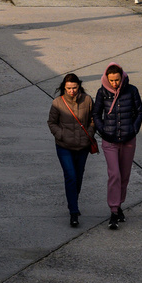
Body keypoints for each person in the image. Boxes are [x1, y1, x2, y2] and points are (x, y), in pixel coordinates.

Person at [95, 63, 142, 230]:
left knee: (124, 175)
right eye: (111, 80)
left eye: (117, 80)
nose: (114, 83)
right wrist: (103, 131)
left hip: (128, 140)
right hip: (110, 141)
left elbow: (140, 111)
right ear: (106, 79)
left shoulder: (132, 90)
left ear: (122, 77)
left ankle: (119, 204)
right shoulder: (102, 92)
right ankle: (114, 210)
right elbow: (96, 114)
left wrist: (134, 129)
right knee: (114, 174)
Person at [46, 73, 96, 229]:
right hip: (64, 147)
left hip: (82, 146)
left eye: (74, 88)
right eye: (68, 88)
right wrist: (61, 135)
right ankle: (73, 212)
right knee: (71, 177)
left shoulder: (87, 100)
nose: (72, 91)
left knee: (78, 177)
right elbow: (51, 122)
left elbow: (94, 120)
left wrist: (89, 134)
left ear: (79, 86)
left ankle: (73, 201)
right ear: (64, 88)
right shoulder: (57, 103)